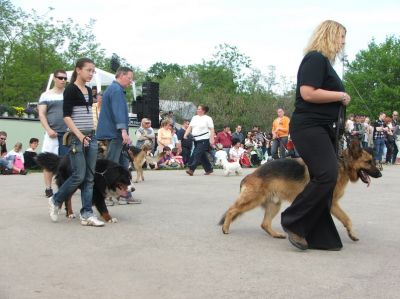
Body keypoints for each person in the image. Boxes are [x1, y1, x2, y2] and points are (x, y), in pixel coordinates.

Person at [280, 20, 351, 251]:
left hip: (322, 128)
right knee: (327, 175)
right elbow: (308, 93)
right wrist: (339, 95)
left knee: (326, 179)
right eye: (341, 37)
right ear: (330, 35)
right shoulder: (315, 58)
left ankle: (318, 234)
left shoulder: (324, 63)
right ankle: (294, 219)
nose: (343, 42)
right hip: (309, 127)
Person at [48, 57, 104, 227]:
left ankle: (87, 213)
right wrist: (79, 136)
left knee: (89, 177)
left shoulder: (88, 90)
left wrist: (92, 135)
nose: (91, 73)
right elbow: (66, 116)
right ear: (78, 70)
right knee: (79, 175)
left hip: (91, 137)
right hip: (77, 138)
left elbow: (88, 115)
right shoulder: (71, 90)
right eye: (88, 70)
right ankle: (56, 199)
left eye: (93, 71)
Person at [96, 66, 140, 204]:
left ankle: (123, 194)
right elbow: (118, 112)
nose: (131, 81)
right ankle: (106, 195)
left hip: (115, 133)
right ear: (121, 75)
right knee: (112, 166)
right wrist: (123, 131)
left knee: (122, 164)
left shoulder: (113, 89)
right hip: (115, 134)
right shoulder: (116, 90)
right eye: (129, 78)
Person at [38, 69, 69, 197]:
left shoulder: (68, 94)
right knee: (48, 162)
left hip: (67, 134)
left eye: (65, 78)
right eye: (60, 78)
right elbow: (41, 114)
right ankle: (48, 188)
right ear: (55, 78)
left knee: (67, 162)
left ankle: (65, 187)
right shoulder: (46, 95)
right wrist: (48, 129)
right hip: (52, 134)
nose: (63, 80)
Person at [184, 105, 215, 176]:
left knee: (196, 153)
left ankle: (191, 169)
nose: (197, 110)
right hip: (195, 139)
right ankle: (209, 169)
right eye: (197, 109)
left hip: (204, 138)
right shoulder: (194, 118)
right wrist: (185, 134)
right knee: (201, 155)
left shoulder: (208, 118)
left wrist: (212, 139)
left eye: (199, 109)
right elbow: (190, 127)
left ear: (203, 111)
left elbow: (212, 129)